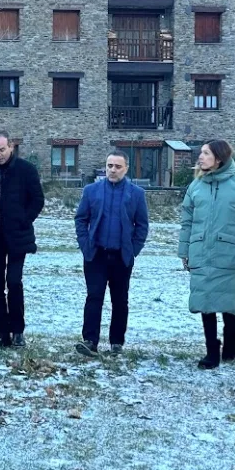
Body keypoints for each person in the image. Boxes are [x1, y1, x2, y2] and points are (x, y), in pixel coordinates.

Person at [177, 140, 235, 369]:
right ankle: (212, 351)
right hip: (200, 252)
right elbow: (187, 222)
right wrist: (184, 252)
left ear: (219, 158)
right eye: (201, 153)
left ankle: (230, 346)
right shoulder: (195, 186)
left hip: (229, 253)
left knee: (226, 301)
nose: (200, 157)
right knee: (205, 301)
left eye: (205, 153)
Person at [73, 150, 149, 357]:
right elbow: (81, 219)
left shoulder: (136, 194)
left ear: (126, 168)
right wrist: (85, 244)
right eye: (109, 166)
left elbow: (142, 225)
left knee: (120, 300)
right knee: (94, 297)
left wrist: (133, 250)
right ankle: (90, 341)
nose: (112, 170)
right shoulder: (91, 191)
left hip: (121, 256)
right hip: (96, 255)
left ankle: (116, 343)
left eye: (117, 166)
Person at [0, 131, 45, 348]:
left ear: (11, 147)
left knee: (14, 283)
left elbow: (37, 199)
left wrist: (24, 220)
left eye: (2, 150)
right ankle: (2, 333)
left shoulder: (26, 170)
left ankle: (18, 331)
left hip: (17, 237)